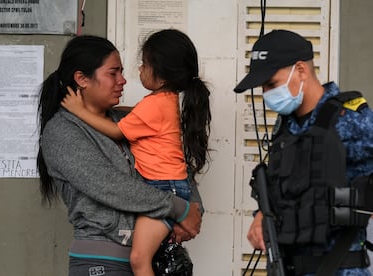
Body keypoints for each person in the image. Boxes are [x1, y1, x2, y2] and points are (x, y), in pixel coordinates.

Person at [37, 35, 203, 276]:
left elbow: (174, 163)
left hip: (152, 259)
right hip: (102, 263)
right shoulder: (61, 132)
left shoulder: (125, 121)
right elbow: (111, 186)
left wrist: (193, 206)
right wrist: (177, 208)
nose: (123, 80)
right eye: (113, 73)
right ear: (82, 79)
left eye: (122, 72)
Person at [234, 29, 373, 275]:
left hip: (340, 267)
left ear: (300, 70)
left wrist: (356, 203)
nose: (266, 94)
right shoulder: (286, 128)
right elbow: (287, 189)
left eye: (271, 84)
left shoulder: (349, 120)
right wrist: (261, 217)